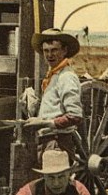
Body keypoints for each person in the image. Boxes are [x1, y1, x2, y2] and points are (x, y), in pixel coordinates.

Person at [25, 28, 83, 164]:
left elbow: (75, 115)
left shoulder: (66, 77)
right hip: (47, 141)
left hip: (58, 142)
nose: (49, 55)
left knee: (55, 182)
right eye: (46, 51)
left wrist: (44, 123)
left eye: (54, 50)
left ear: (64, 51)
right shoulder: (53, 76)